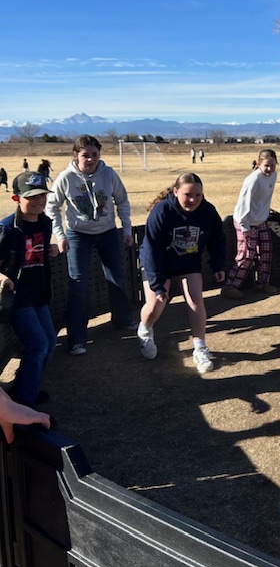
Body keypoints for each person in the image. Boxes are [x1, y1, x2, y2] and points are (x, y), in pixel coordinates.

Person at [46, 135, 137, 356]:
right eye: (85, 155)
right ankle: (77, 338)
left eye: (95, 155)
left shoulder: (109, 174)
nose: (90, 159)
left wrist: (126, 229)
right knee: (78, 284)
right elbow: (52, 207)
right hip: (78, 235)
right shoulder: (66, 178)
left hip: (106, 232)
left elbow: (122, 201)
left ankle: (123, 319)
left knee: (116, 276)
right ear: (76, 155)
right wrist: (60, 235)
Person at [137, 173, 225, 374]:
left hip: (187, 262)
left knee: (195, 299)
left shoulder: (208, 212)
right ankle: (145, 329)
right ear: (176, 192)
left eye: (198, 195)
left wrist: (218, 266)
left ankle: (200, 347)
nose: (193, 200)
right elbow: (151, 249)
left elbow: (216, 239)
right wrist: (158, 284)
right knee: (156, 304)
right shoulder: (162, 211)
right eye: (187, 194)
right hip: (159, 262)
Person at [0, 172, 59, 409]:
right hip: (17, 299)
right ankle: (25, 400)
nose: (39, 201)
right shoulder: (7, 228)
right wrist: (1, 276)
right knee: (38, 344)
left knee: (50, 342)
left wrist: (50, 250)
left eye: (43, 195)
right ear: (16, 198)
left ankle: (24, 386)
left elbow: (38, 254)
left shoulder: (45, 223)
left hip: (38, 294)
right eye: (32, 197)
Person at [221, 150, 278, 300]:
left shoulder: (273, 175)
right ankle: (230, 286)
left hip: (261, 220)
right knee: (246, 255)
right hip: (245, 221)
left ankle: (262, 283)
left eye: (272, 165)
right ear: (259, 164)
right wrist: (244, 225)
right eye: (266, 165)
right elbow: (243, 202)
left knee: (267, 251)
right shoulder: (253, 180)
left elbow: (263, 199)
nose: (270, 168)